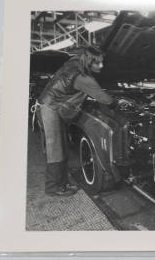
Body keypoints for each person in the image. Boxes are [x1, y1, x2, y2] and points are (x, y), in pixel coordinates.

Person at [36, 46, 116, 197]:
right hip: (50, 108)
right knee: (56, 150)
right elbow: (104, 98)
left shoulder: (75, 63)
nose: (102, 66)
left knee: (61, 147)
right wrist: (116, 103)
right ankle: (53, 188)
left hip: (50, 105)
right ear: (89, 61)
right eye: (98, 63)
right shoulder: (83, 78)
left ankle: (62, 183)